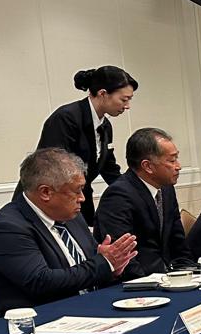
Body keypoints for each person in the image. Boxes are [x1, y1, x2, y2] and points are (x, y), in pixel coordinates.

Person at [0, 150, 137, 317]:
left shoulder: (71, 216)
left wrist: (112, 269)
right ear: (45, 192)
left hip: (91, 310)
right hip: (43, 319)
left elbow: (91, 270)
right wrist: (104, 263)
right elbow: (41, 282)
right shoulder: (6, 228)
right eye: (77, 190)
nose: (82, 198)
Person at [32, 66, 137, 225]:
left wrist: (133, 192)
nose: (127, 105)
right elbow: (54, 168)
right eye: (124, 99)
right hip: (48, 201)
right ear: (103, 94)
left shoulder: (105, 126)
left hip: (77, 197)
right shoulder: (66, 118)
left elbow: (109, 168)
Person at [95, 127, 191, 279]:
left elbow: (177, 241)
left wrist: (190, 273)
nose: (178, 166)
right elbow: (123, 256)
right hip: (139, 282)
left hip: (169, 277)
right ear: (148, 166)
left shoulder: (166, 189)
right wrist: (151, 284)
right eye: (172, 160)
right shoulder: (118, 196)